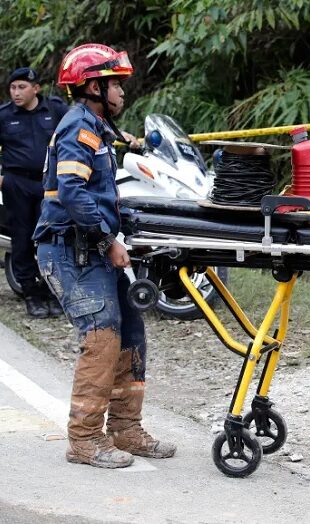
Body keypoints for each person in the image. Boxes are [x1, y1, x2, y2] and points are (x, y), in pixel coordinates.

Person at [33, 43, 175, 468]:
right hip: (67, 250)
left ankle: (126, 429)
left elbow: (99, 193)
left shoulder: (98, 127)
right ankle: (84, 440)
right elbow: (73, 192)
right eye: (115, 83)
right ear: (92, 86)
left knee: (131, 335)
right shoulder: (80, 127)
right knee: (102, 337)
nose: (121, 91)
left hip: (91, 247)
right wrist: (107, 237)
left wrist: (128, 226)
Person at [0, 67, 68, 317]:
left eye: (22, 87)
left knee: (51, 236)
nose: (16, 93)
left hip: (48, 183)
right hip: (16, 184)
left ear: (36, 89)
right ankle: (31, 293)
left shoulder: (54, 110)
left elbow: (79, 128)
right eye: (13, 87)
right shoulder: (5, 116)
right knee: (22, 238)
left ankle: (52, 291)